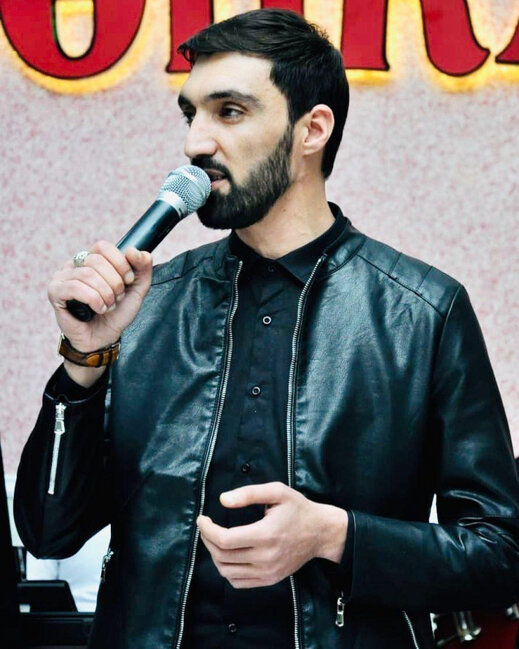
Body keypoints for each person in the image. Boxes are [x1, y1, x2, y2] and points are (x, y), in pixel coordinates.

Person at [14, 9, 519, 649]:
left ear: (312, 130)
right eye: (191, 115)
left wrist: (336, 536)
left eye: (229, 112)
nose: (196, 144)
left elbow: (500, 554)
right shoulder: (148, 306)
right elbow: (47, 533)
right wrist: (83, 363)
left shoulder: (420, 312)